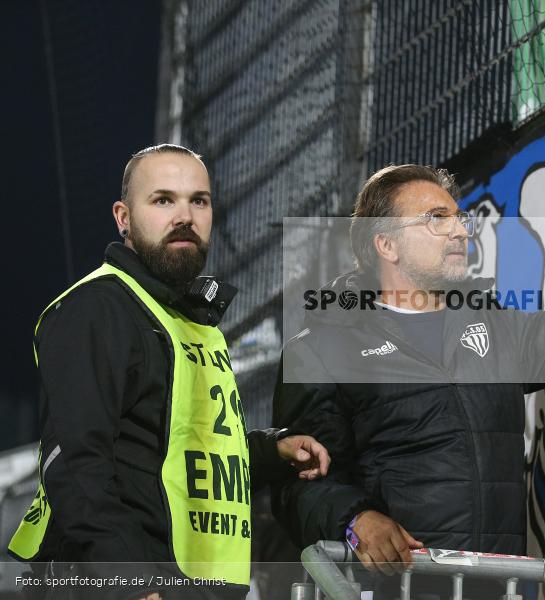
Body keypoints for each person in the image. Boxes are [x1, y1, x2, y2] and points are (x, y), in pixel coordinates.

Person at [271, 157, 545, 581]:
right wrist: (356, 519)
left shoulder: (495, 326)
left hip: (495, 586)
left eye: (459, 217)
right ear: (387, 245)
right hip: (392, 588)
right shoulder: (322, 349)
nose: (460, 230)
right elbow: (299, 482)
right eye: (436, 218)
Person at [7, 144, 330, 600]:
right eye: (163, 200)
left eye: (199, 200)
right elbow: (75, 463)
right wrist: (133, 584)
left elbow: (176, 455)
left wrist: (270, 451)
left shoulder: (189, 320)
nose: (185, 215)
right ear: (123, 217)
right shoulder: (98, 308)